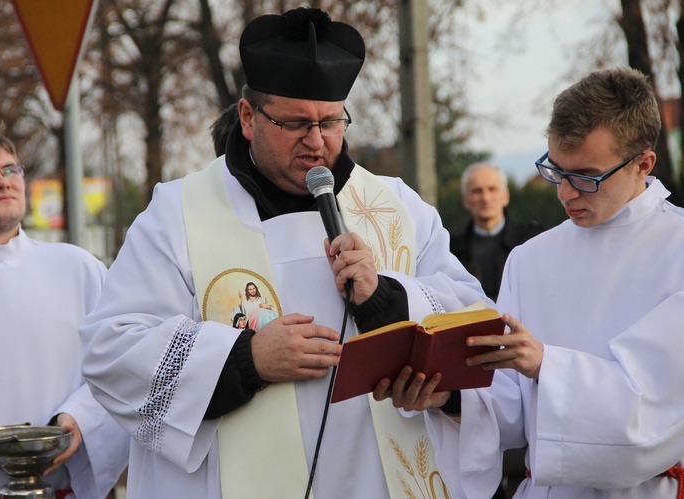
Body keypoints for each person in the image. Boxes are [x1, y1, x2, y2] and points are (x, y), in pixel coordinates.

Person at [80, 7, 487, 498]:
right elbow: (112, 350)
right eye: (295, 123)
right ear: (249, 118)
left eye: (331, 122)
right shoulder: (179, 213)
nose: (316, 143)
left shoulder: (396, 207)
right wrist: (245, 359)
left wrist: (389, 301)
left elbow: (474, 329)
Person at [424, 66, 684, 498]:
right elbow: (512, 410)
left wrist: (546, 363)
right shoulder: (530, 259)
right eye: (555, 170)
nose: (565, 193)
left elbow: (652, 415)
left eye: (585, 176)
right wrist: (447, 396)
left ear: (643, 163)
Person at [0, 119, 129, 499]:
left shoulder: (79, 269)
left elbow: (122, 363)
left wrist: (80, 419)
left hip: (61, 490)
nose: (3, 181)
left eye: (10, 169)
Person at [450, 162, 543, 301]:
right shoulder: (451, 251)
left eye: (492, 189)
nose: (485, 198)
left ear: (505, 196)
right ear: (466, 200)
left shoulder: (532, 241)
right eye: (477, 191)